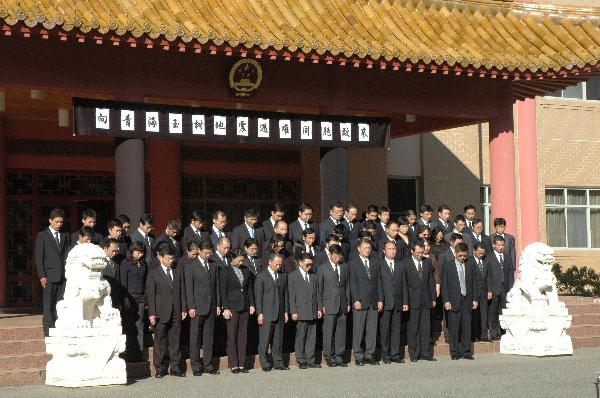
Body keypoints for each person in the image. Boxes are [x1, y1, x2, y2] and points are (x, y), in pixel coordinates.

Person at [146, 244, 187, 377]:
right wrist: (151, 313)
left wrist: (183, 308)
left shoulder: (177, 270)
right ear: (160, 257)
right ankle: (160, 368)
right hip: (160, 312)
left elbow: (182, 291)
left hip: (176, 310)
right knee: (160, 341)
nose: (171, 261)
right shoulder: (153, 273)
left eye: (172, 258)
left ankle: (175, 367)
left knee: (175, 340)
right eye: (168, 258)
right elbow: (151, 295)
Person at [185, 239, 221, 376]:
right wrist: (191, 306)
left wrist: (218, 304)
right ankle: (196, 366)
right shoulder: (191, 266)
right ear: (199, 250)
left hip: (211, 305)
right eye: (206, 253)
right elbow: (189, 288)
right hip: (197, 306)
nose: (208, 255)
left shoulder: (213, 265)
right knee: (195, 337)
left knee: (208, 336)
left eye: (210, 253)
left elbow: (216, 286)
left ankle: (208, 364)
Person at [35, 208, 70, 337]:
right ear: (50, 221)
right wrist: (42, 275)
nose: (59, 224)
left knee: (59, 304)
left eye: (61, 222)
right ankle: (48, 331)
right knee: (48, 304)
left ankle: (57, 327)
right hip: (49, 276)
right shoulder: (42, 236)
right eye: (56, 222)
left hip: (62, 276)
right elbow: (39, 257)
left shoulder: (65, 235)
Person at [349, 238, 383, 366]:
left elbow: (379, 281)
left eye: (369, 248)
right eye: (365, 248)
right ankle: (358, 355)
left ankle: (370, 355)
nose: (367, 250)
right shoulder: (353, 263)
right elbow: (352, 283)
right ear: (359, 249)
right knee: (358, 330)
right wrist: (355, 299)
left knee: (372, 330)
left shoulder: (375, 262)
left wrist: (380, 299)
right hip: (360, 301)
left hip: (373, 301)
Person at [220, 248, 255, 374]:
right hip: (232, 307)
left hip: (244, 306)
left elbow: (249, 289)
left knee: (242, 336)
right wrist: (226, 308)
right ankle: (233, 364)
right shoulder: (225, 271)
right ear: (232, 259)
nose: (241, 263)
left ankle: (241, 363)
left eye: (242, 261)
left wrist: (251, 304)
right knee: (232, 335)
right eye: (239, 261)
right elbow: (223, 291)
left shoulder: (246, 270)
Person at [441, 242, 478, 360]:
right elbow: (444, 284)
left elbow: (474, 283)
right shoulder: (448, 265)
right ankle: (455, 352)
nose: (462, 258)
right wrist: (446, 300)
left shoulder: (470, 265)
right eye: (460, 255)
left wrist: (475, 299)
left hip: (467, 299)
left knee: (466, 327)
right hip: (453, 300)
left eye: (464, 256)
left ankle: (466, 351)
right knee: (454, 327)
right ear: (455, 253)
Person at [316, 244, 349, 368]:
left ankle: (339, 356)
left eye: (338, 256)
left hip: (342, 303)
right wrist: (321, 306)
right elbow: (319, 288)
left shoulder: (344, 267)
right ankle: (329, 356)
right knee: (329, 331)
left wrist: (348, 302)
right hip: (329, 304)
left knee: (341, 331)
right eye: (334, 256)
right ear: (330, 254)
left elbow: (347, 286)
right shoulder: (322, 268)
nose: (337, 258)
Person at [254, 253, 289, 371]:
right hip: (267, 312)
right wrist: (260, 313)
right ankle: (265, 363)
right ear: (270, 262)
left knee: (278, 339)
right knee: (265, 339)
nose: (278, 266)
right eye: (276, 264)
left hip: (279, 312)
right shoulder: (261, 276)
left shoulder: (282, 276)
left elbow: (285, 295)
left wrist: (285, 311)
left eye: (280, 264)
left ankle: (278, 362)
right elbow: (258, 296)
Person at [404, 239, 436, 362]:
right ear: (412, 251)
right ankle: (414, 354)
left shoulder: (427, 262)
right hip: (413, 301)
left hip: (426, 299)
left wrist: (433, 298)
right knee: (413, 328)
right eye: (417, 252)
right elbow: (404, 284)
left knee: (425, 328)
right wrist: (405, 301)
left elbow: (431, 281)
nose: (419, 255)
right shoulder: (405, 264)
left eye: (421, 252)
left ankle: (426, 353)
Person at [288, 253, 321, 369]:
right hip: (300, 311)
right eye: (307, 265)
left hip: (312, 310)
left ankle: (311, 359)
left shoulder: (313, 276)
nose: (309, 267)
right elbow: (291, 296)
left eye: (311, 265)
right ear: (300, 262)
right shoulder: (293, 276)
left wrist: (319, 308)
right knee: (301, 337)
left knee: (311, 337)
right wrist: (293, 311)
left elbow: (318, 294)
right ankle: (301, 359)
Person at [380, 241, 409, 364]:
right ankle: (386, 355)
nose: (392, 251)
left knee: (396, 329)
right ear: (384, 251)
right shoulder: (379, 265)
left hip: (398, 302)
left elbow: (404, 284)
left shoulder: (400, 265)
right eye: (389, 248)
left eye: (394, 249)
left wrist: (405, 301)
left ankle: (395, 354)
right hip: (385, 303)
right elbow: (379, 284)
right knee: (385, 329)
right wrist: (380, 300)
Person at [120, 241, 148, 362]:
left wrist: (146, 298)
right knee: (129, 324)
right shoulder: (125, 263)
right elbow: (123, 282)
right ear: (132, 251)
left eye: (141, 252)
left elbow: (145, 282)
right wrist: (124, 298)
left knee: (140, 324)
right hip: (129, 296)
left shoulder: (143, 264)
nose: (139, 254)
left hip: (141, 297)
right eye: (137, 251)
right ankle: (129, 352)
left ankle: (139, 352)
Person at [487, 235, 515, 341]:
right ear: (494, 245)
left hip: (505, 288)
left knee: (504, 310)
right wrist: (489, 289)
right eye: (499, 245)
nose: (501, 247)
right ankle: (494, 333)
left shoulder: (507, 257)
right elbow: (487, 275)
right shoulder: (489, 257)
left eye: (503, 245)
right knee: (493, 311)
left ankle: (503, 332)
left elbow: (510, 274)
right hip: (494, 289)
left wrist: (511, 289)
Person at [469, 243, 491, 342]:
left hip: (484, 292)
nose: (481, 255)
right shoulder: (469, 261)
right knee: (474, 315)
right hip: (473, 292)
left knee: (484, 314)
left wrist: (489, 290)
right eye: (479, 253)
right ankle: (474, 335)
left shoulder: (485, 262)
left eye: (483, 253)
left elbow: (489, 278)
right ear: (474, 251)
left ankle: (483, 335)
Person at [101, 237, 122, 308]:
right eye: (112, 251)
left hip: (115, 298)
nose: (114, 253)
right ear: (105, 249)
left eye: (116, 251)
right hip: (104, 298)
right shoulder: (100, 262)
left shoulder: (116, 262)